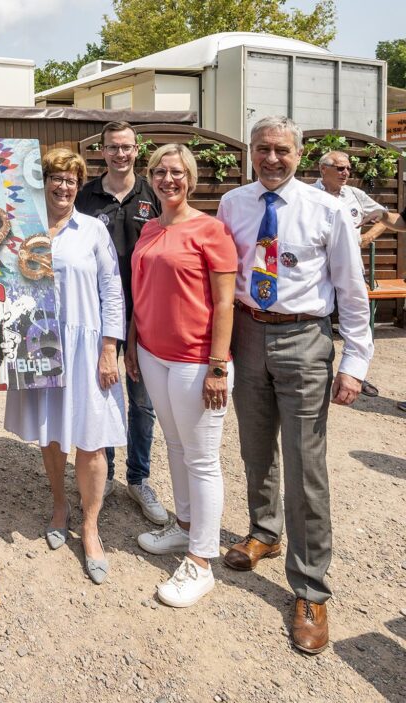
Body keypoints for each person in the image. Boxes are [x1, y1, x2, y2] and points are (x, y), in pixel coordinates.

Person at [218, 116, 373, 654]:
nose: (271, 159)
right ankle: (263, 531)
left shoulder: (328, 209)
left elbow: (352, 291)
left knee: (306, 464)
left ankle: (310, 588)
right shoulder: (233, 204)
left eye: (281, 150)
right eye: (262, 149)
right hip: (247, 332)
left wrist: (355, 362)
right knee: (255, 446)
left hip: (305, 338)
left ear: (299, 154)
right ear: (252, 152)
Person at [4, 148, 126, 585]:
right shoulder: (23, 228)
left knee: (91, 441)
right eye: (55, 177)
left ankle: (90, 528)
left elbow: (112, 290)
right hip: (38, 343)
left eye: (71, 179)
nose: (63, 185)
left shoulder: (93, 230)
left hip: (86, 343)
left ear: (79, 185)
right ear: (44, 183)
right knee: (52, 433)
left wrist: (110, 347)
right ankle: (60, 506)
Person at [125, 144, 237, 608]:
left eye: (177, 172)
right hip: (153, 353)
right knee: (173, 445)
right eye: (161, 172)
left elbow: (225, 303)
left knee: (203, 458)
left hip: (196, 361)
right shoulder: (150, 228)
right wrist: (132, 342)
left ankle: (201, 561)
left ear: (190, 178)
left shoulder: (211, 230)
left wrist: (217, 365)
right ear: (150, 176)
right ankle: (185, 526)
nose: (169, 179)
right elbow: (142, 290)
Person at [75, 121, 167, 524]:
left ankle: (139, 478)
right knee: (105, 398)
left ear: (137, 150)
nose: (120, 154)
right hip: (98, 317)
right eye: (113, 147)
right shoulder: (85, 196)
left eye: (127, 147)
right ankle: (106, 474)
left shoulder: (154, 194)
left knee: (142, 403)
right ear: (102, 151)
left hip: (146, 316)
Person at [313, 149, 406, 397]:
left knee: (355, 321)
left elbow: (384, 217)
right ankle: (320, 374)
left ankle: (354, 373)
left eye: (348, 169)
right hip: (318, 274)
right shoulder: (308, 196)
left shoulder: (354, 195)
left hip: (351, 271)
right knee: (319, 324)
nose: (346, 173)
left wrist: (366, 237)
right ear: (323, 169)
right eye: (340, 168)